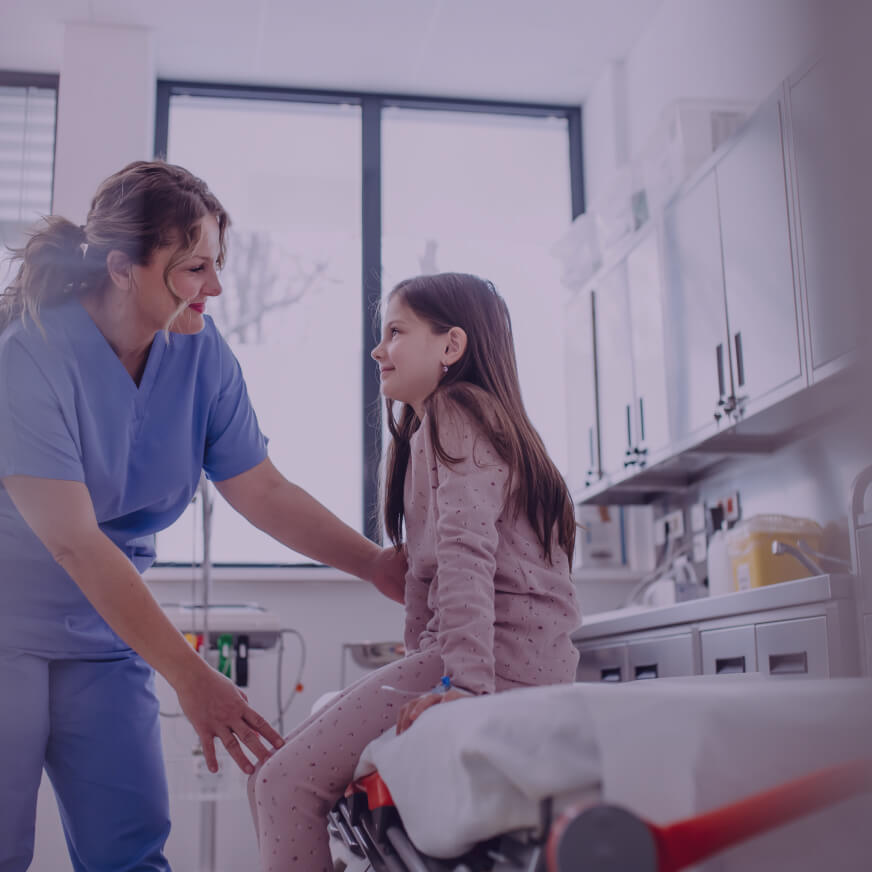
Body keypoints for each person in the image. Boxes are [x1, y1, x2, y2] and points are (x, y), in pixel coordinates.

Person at [0, 160, 406, 872]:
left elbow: (264, 490)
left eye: (217, 264)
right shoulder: (28, 357)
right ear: (124, 268)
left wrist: (375, 565)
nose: (215, 287)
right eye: (194, 267)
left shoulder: (200, 352)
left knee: (130, 850)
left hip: (105, 636)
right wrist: (192, 678)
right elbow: (76, 544)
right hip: (7, 622)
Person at [250, 272, 581, 871]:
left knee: (281, 787)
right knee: (273, 780)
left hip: (497, 663)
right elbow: (426, 584)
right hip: (496, 657)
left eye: (395, 331)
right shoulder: (437, 430)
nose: (378, 350)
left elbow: (465, 557)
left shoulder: (458, 412)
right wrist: (425, 672)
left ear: (451, 347)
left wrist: (463, 688)